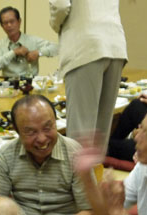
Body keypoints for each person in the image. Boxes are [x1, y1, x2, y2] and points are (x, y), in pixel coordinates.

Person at [49, 0, 127, 142]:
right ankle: (96, 165)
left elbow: (60, 6)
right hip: (116, 45)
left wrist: (55, 24)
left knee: (81, 131)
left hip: (85, 44)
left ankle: (81, 165)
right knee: (101, 131)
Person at [0, 6, 58, 78]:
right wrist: (13, 52)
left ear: (19, 22)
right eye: (5, 23)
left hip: (30, 83)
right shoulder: (1, 44)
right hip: (9, 84)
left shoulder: (32, 40)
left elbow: (57, 48)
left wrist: (38, 53)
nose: (9, 25)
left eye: (12, 21)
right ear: (2, 26)